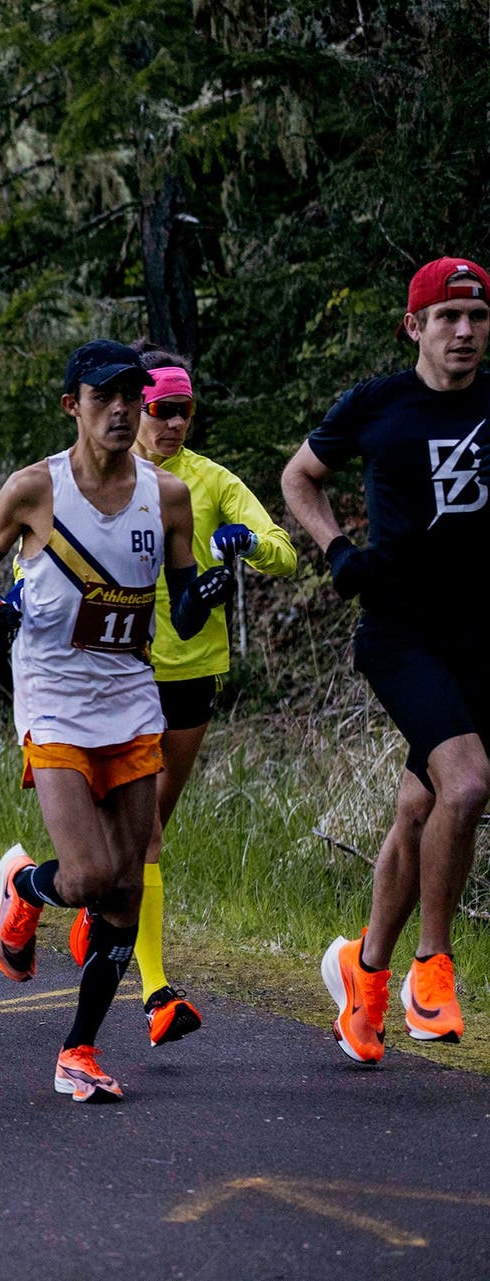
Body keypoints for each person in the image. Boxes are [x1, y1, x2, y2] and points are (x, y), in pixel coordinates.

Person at [0, 338, 232, 1102]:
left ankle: (77, 1050)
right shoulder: (33, 489)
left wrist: (209, 589)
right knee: (85, 877)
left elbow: (184, 608)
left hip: (130, 695)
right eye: (104, 396)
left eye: (132, 397)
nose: (121, 410)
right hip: (52, 693)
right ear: (72, 405)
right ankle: (24, 886)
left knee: (125, 887)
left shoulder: (167, 496)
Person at [54, 347, 298, 1047]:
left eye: (182, 410)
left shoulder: (209, 482)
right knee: (145, 838)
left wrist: (248, 541)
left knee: (146, 829)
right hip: (115, 674)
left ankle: (90, 903)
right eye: (159, 409)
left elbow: (283, 549)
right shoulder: (91, 478)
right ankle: (157, 992)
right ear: (133, 408)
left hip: (191, 675)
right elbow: (38, 555)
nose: (171, 423)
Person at [281, 256, 490, 1064]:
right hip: (401, 634)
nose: (464, 331)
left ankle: (362, 974)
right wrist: (337, 549)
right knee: (466, 784)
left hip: (478, 640)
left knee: (420, 807)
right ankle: (430, 969)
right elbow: (300, 476)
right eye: (448, 317)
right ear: (415, 326)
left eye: (477, 317)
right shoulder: (377, 404)